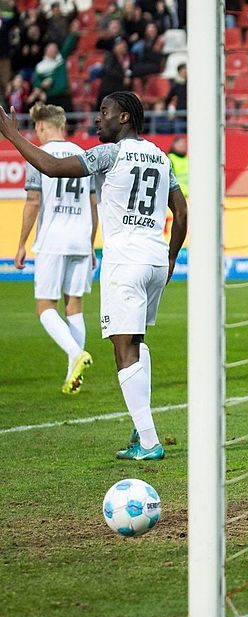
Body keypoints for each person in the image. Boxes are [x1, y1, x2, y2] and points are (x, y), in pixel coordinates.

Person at [0, 90, 189, 461]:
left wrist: (12, 135)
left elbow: (52, 167)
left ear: (125, 118)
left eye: (104, 112)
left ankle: (149, 442)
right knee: (137, 340)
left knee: (123, 350)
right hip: (154, 260)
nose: (98, 119)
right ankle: (141, 427)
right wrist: (170, 257)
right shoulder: (161, 156)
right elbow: (181, 213)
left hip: (126, 262)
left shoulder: (109, 154)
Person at [14, 103, 98, 395]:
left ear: (40, 127)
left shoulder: (38, 155)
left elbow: (33, 202)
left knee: (45, 307)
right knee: (74, 305)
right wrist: (91, 245)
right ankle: (72, 375)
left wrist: (21, 244)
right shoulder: (83, 155)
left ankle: (76, 354)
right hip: (80, 239)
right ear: (63, 126)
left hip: (53, 239)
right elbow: (93, 205)